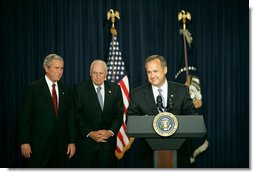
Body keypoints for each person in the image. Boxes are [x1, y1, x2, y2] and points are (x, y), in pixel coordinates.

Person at [126, 55, 195, 168]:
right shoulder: (137, 94)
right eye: (149, 72)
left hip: (179, 155)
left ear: (165, 69)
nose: (152, 76)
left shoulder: (182, 91)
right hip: (148, 156)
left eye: (155, 71)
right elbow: (130, 120)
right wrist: (147, 122)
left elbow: (192, 117)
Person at [19, 54, 76, 168]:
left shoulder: (66, 90)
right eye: (56, 68)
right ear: (46, 68)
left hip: (60, 148)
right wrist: (24, 142)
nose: (60, 71)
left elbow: (70, 117)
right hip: (38, 147)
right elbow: (25, 118)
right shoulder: (33, 89)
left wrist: (72, 141)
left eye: (62, 68)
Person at [74, 59, 123, 168]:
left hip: (107, 145)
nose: (98, 76)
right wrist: (90, 133)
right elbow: (77, 115)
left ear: (106, 74)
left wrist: (110, 132)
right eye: (95, 73)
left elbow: (119, 115)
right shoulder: (80, 89)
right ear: (90, 73)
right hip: (86, 145)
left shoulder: (115, 89)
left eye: (101, 73)